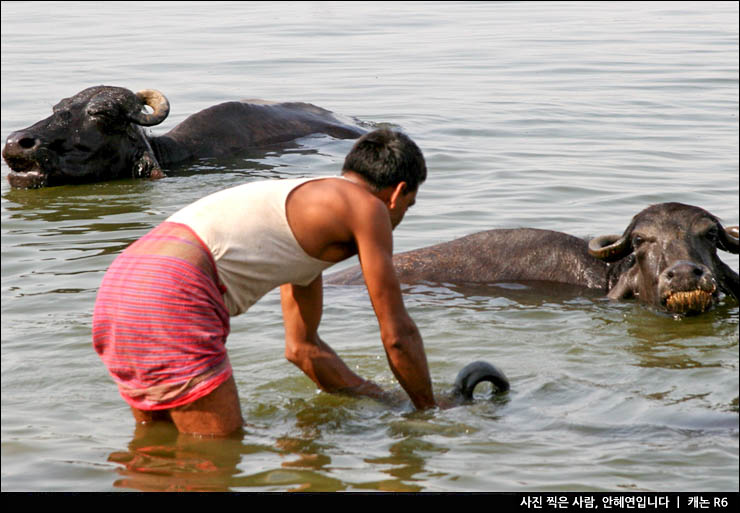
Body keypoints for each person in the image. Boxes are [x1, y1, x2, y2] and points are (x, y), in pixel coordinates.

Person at [92, 129, 436, 436]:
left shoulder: (307, 209)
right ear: (397, 193)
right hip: (173, 287)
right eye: (408, 206)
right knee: (217, 458)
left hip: (123, 281)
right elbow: (398, 336)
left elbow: (303, 350)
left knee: (158, 451)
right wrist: (431, 411)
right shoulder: (368, 208)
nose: (400, 217)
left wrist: (383, 398)